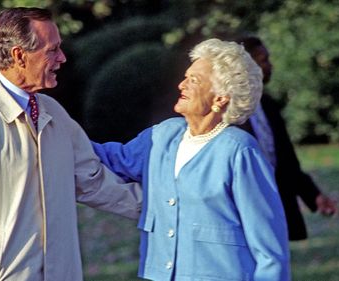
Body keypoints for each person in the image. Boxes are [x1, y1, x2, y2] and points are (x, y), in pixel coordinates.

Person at [0, 7, 142, 281]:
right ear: (19, 55)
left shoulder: (56, 115)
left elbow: (95, 183)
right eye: (52, 50)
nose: (62, 58)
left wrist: (161, 208)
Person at [93, 39, 290, 280]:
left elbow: (269, 247)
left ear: (221, 98)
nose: (181, 85)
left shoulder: (240, 152)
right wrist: (57, 132)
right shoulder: (162, 136)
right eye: (186, 77)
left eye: (193, 80)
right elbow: (109, 159)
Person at [236, 35, 339, 240]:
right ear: (247, 65)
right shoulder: (228, 111)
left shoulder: (268, 105)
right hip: (244, 212)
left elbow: (285, 159)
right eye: (263, 60)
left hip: (274, 207)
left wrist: (313, 195)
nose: (270, 66)